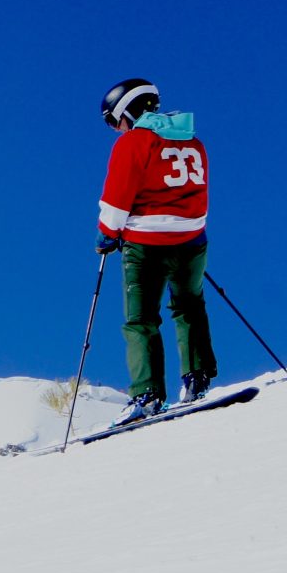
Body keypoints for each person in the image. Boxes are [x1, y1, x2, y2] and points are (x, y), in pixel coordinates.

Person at [95, 78, 218, 424]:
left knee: (140, 321)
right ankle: (197, 378)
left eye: (114, 120)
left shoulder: (134, 142)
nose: (116, 129)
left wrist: (107, 235)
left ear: (128, 112)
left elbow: (117, 199)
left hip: (147, 243)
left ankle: (147, 394)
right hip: (192, 238)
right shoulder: (193, 142)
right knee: (190, 306)